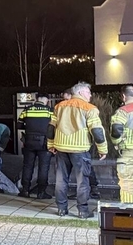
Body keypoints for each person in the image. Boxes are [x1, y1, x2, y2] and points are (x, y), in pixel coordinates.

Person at [48, 82, 107, 218]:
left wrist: (51, 144)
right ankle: (83, 211)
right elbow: (97, 131)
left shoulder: (59, 106)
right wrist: (102, 149)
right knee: (82, 181)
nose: (90, 95)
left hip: (61, 148)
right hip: (80, 149)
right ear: (80, 93)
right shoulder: (89, 108)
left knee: (61, 180)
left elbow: (51, 127)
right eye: (88, 92)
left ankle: (61, 209)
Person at [18, 95, 53, 199]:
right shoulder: (49, 111)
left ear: (37, 99)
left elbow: (19, 125)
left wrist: (29, 127)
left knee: (27, 166)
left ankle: (25, 190)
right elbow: (54, 125)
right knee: (44, 167)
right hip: (44, 142)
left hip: (29, 141)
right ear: (46, 100)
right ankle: (41, 192)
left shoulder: (27, 110)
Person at [110, 85, 133, 204]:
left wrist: (116, 143)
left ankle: (130, 213)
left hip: (128, 153)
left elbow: (116, 129)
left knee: (127, 183)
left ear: (123, 96)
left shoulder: (123, 111)